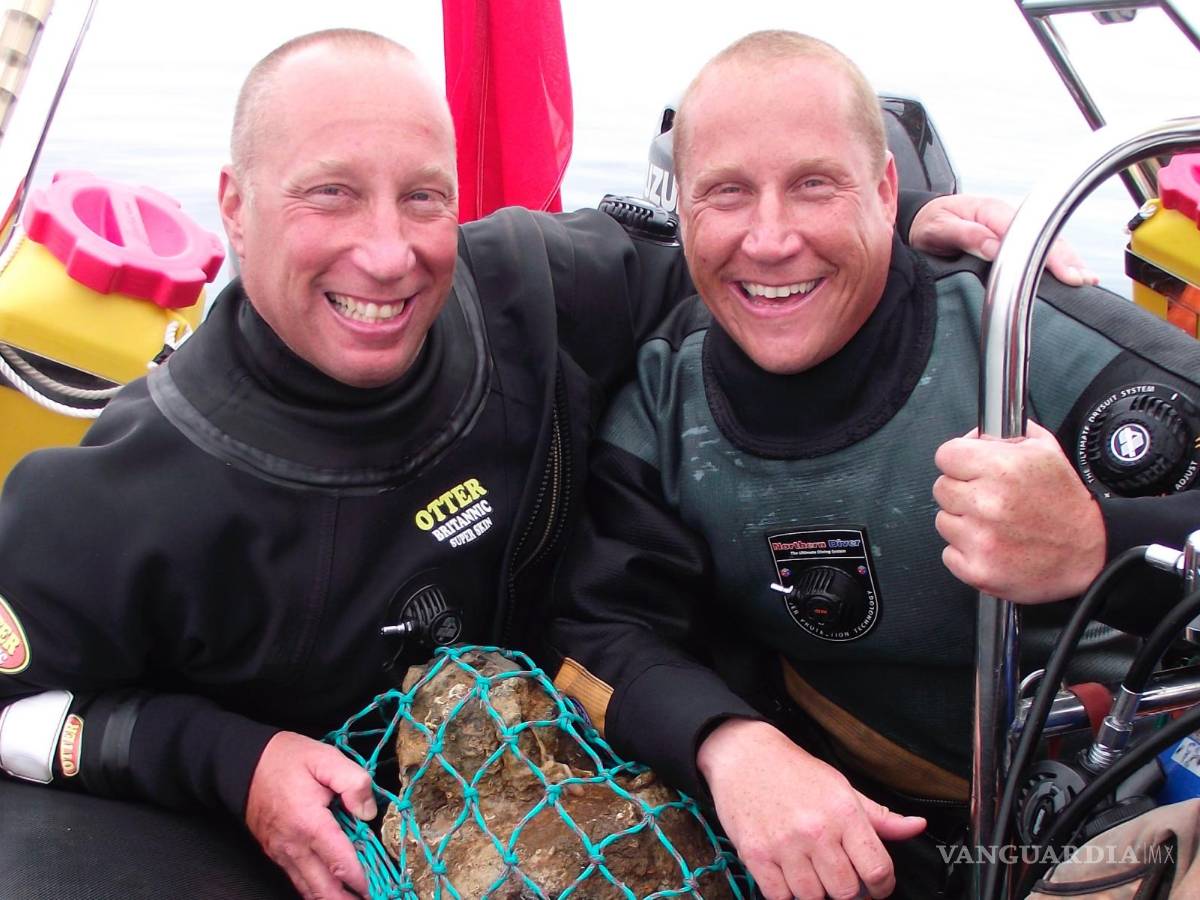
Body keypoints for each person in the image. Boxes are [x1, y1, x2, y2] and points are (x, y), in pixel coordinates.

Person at [0, 27, 1090, 900]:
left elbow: (744, 273)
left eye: (423, 196)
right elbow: (19, 712)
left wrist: (905, 259)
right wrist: (229, 762)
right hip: (312, 839)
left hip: (578, 770)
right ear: (233, 207)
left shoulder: (534, 288)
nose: (388, 252)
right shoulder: (124, 489)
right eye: (328, 194)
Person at [549, 30, 1200, 900]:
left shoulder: (1034, 341)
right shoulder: (666, 401)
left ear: (887, 190)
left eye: (815, 184)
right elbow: (599, 627)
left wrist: (1100, 546)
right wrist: (730, 744)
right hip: (858, 828)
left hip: (1126, 803)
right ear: (684, 208)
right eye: (728, 194)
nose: (771, 238)